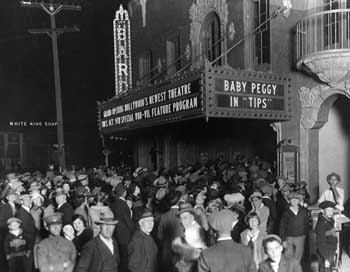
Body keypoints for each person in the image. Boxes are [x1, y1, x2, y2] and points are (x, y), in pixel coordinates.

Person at [110, 182, 134, 272]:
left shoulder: (114, 203)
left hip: (116, 233)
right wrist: (133, 230)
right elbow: (127, 220)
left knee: (119, 256)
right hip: (124, 234)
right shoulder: (123, 204)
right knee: (125, 258)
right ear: (124, 192)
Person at [279, 192, 309, 263]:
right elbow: (282, 227)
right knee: (288, 255)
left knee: (298, 256)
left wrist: (304, 234)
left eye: (296, 199)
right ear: (289, 201)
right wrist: (283, 240)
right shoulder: (286, 213)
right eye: (292, 199)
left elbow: (306, 224)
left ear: (299, 201)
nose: (294, 201)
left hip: (300, 237)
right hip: (289, 237)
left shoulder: (303, 212)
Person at [315, 201, 338, 271]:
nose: (331, 212)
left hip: (331, 250)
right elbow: (320, 242)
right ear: (322, 211)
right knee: (326, 269)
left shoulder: (329, 220)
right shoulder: (321, 224)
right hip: (326, 251)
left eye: (332, 210)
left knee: (328, 268)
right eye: (328, 210)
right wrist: (325, 258)